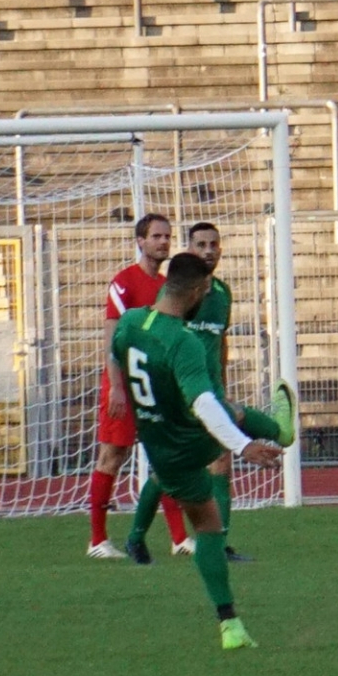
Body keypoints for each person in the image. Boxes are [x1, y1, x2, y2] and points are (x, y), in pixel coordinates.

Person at [110, 253, 285, 648]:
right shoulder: (182, 341)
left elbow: (114, 352)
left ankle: (229, 624)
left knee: (205, 514)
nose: (206, 298)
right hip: (187, 440)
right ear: (195, 290)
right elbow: (204, 404)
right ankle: (281, 431)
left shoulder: (133, 321)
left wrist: (123, 390)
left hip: (156, 443)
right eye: (204, 292)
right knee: (209, 522)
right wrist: (243, 446)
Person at [124, 221, 295, 565]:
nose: (208, 250)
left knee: (220, 462)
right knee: (173, 466)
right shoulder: (177, 293)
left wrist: (223, 384)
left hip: (210, 388)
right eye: (200, 244)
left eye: (214, 244)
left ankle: (216, 543)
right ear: (189, 249)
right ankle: (137, 538)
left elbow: (220, 342)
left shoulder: (221, 293)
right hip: (183, 393)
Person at [88, 214, 189, 560]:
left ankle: (179, 539)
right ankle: (98, 540)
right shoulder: (124, 282)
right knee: (112, 456)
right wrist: (116, 386)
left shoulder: (167, 287)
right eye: (156, 236)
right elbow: (111, 336)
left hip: (154, 385)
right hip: (123, 384)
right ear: (140, 241)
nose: (163, 242)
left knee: (166, 456)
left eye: (167, 236)